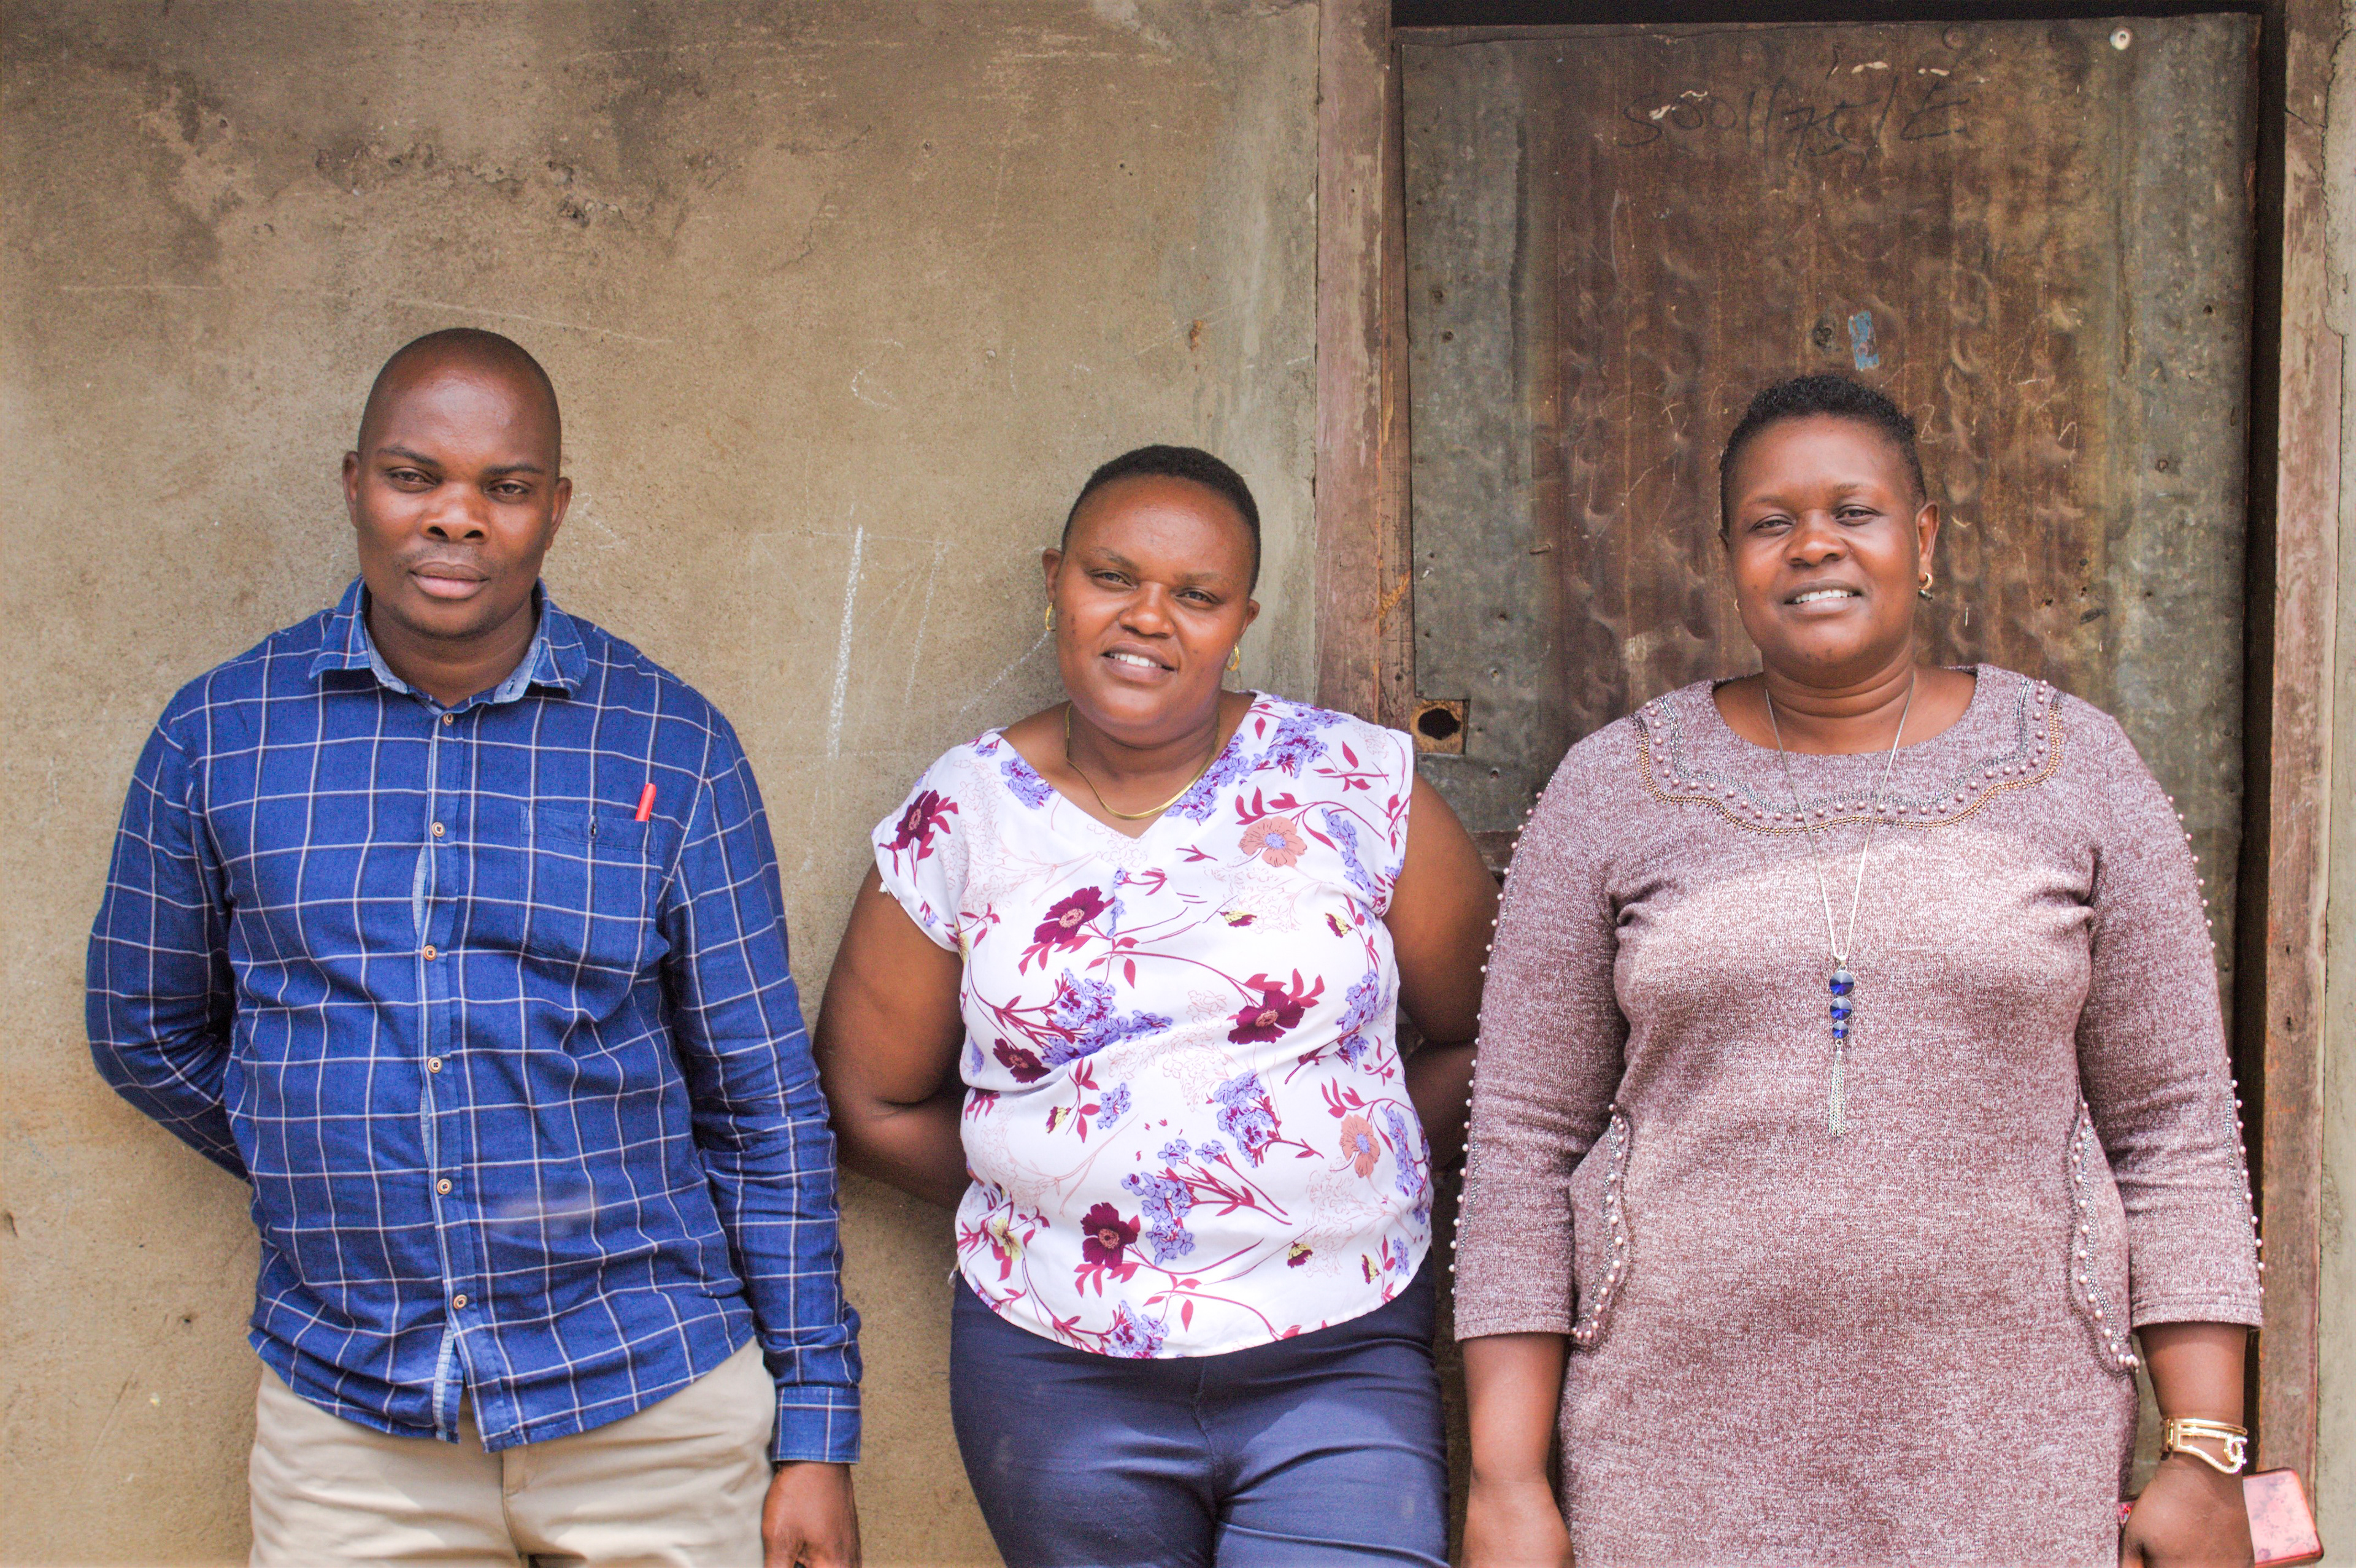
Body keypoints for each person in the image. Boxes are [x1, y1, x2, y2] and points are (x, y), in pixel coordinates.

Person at [1453, 374, 2264, 1567]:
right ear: (1731, 557)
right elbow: (1521, 1144)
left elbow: (2176, 1128)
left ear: (1922, 539)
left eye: (1855, 511)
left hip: (2006, 1442)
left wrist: (2204, 1449)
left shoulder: (2075, 769)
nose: (1813, 543)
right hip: (1679, 1448)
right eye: (1770, 521)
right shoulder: (1613, 789)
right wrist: (1508, 1478)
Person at [87, 329, 862, 1568]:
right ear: (354, 483)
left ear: (554, 508)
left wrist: (818, 1431)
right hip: (353, 1417)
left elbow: (766, 1112)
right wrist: (323, 1152)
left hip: (650, 1397)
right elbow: (141, 1028)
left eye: (503, 487)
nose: (457, 518)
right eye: (414, 476)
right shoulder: (219, 734)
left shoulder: (673, 744)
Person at [815, 445, 1498, 1567]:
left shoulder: (1354, 784)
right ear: (1055, 580)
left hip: (1336, 1353)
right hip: (1057, 1374)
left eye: (1196, 594)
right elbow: (870, 1097)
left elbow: (1488, 1033)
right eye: (1112, 576)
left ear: (1243, 616)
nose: (1149, 618)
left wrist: (1352, 1159)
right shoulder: (968, 814)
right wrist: (1082, 1192)